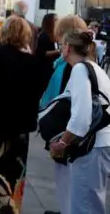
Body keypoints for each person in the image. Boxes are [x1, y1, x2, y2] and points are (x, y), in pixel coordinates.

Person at [0, 16, 52, 213]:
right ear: (26, 35)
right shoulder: (33, 62)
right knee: (15, 176)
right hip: (19, 128)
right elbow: (41, 89)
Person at [48, 30, 110, 214]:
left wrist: (62, 143)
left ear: (68, 48)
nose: (60, 49)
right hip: (100, 144)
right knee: (91, 203)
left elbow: (81, 119)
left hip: (91, 147)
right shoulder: (95, 69)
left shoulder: (80, 70)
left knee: (84, 207)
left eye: (61, 45)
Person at [39, 15, 88, 214]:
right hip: (72, 133)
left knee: (66, 181)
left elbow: (64, 103)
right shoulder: (81, 63)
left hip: (66, 134)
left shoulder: (70, 67)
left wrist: (61, 139)